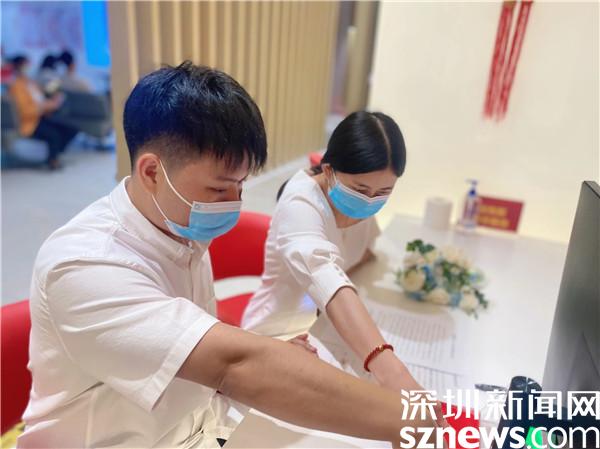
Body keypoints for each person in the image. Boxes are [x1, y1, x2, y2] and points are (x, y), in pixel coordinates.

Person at [17, 62, 446, 448]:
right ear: (151, 172)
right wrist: (407, 418)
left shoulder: (177, 228)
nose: (234, 203)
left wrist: (268, 353)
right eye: (220, 188)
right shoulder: (87, 263)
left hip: (195, 424)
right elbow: (235, 365)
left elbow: (204, 349)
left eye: (240, 186)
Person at [242, 111, 426, 394]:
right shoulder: (300, 203)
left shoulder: (362, 203)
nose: (369, 201)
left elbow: (364, 253)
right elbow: (323, 273)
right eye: (360, 189)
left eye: (383, 192)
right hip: (280, 332)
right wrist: (394, 373)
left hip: (326, 327)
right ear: (328, 171)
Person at [8, 55, 78, 170]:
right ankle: (52, 160)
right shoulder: (16, 86)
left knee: (69, 128)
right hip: (30, 121)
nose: (29, 67)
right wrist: (46, 107)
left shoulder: (30, 82)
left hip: (42, 116)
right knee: (54, 134)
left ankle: (55, 153)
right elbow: (25, 110)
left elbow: (42, 96)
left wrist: (51, 102)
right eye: (26, 65)